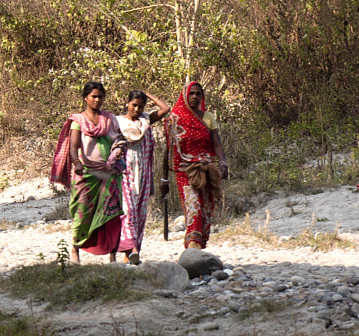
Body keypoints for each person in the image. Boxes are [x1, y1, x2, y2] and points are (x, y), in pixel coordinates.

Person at [49, 81, 127, 263]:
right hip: (86, 172)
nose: (97, 100)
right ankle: (76, 248)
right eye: (93, 96)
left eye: (100, 96)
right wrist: (76, 162)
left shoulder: (109, 119)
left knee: (112, 214)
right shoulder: (78, 121)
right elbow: (74, 145)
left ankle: (112, 254)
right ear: (85, 97)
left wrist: (118, 150)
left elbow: (119, 138)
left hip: (109, 174)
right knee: (82, 210)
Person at [163, 80, 227, 250]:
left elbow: (217, 143)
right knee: (194, 207)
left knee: (206, 210)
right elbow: (169, 150)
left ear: (202, 97)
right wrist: (164, 179)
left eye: (198, 93)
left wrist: (223, 162)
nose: (194, 96)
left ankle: (199, 248)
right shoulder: (175, 119)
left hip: (206, 170)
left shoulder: (208, 118)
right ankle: (192, 246)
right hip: (185, 171)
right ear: (184, 96)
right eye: (191, 93)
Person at [117, 89, 171, 263]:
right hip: (126, 172)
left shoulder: (145, 120)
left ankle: (132, 254)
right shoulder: (117, 122)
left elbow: (165, 108)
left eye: (141, 106)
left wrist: (150, 96)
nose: (137, 109)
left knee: (141, 212)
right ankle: (130, 248)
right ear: (127, 103)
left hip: (144, 173)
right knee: (128, 211)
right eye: (134, 105)